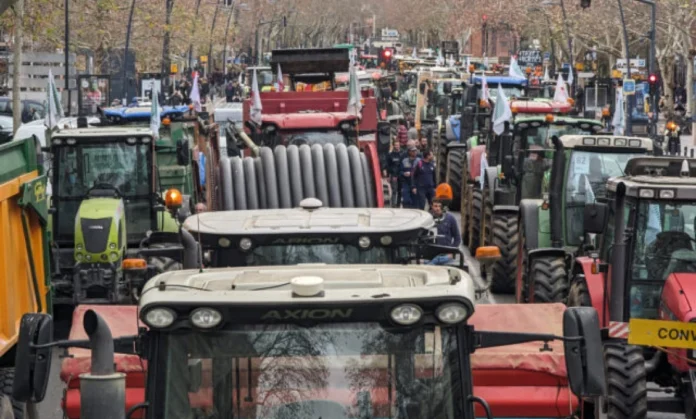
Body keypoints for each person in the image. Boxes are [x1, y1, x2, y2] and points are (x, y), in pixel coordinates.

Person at [426, 198, 461, 265]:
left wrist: (451, 252)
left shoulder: (450, 218)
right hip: (430, 256)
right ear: (431, 206)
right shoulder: (427, 219)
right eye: (435, 206)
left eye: (439, 206)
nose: (438, 208)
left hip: (445, 255)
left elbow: (457, 237)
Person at [386, 141, 405, 207]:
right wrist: (388, 176)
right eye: (395, 145)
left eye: (398, 145)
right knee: (394, 190)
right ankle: (393, 204)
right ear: (393, 146)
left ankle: (398, 204)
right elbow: (388, 166)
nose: (397, 146)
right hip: (393, 175)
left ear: (399, 146)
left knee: (400, 190)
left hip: (400, 175)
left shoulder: (402, 154)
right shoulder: (390, 155)